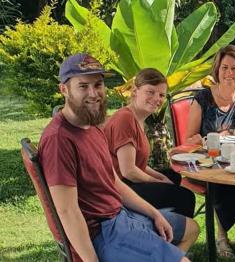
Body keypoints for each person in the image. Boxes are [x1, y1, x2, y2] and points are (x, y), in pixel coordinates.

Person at [39, 53, 199, 262]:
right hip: (104, 233)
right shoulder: (59, 139)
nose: (94, 93)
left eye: (98, 85)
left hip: (123, 216)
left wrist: (154, 214)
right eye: (83, 86)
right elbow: (67, 211)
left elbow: (114, 181)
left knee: (191, 229)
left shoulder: (92, 126)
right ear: (64, 89)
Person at [185, 45, 235, 258]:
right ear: (217, 70)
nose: (229, 73)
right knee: (220, 183)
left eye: (234, 68)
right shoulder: (203, 97)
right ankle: (222, 237)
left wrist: (230, 131)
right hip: (211, 163)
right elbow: (190, 137)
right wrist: (196, 140)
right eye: (224, 68)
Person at [104, 68, 196, 218]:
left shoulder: (138, 119)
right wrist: (157, 182)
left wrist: (162, 178)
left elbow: (137, 163)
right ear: (135, 91)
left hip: (128, 181)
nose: (157, 99)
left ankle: (164, 226)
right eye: (150, 92)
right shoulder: (125, 119)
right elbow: (129, 171)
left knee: (173, 176)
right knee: (185, 197)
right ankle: (173, 235)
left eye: (161, 95)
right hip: (120, 189)